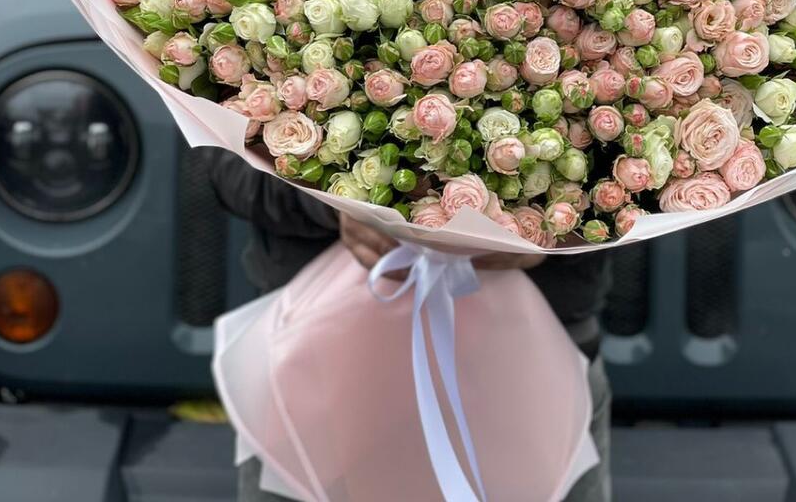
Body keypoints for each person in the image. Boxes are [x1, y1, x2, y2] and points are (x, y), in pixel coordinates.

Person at [208, 151, 613, 502]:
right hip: (313, 360)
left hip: (541, 358)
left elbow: (636, 193)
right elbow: (224, 163)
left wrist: (557, 236)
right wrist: (332, 203)